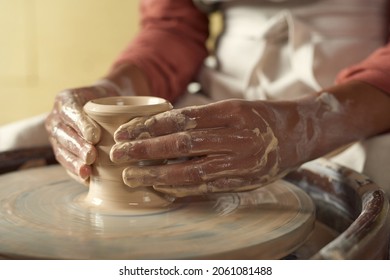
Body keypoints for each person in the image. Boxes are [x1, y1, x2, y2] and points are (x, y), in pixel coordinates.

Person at [45, 0, 390, 198]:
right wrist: (111, 91)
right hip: (220, 86)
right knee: (16, 140)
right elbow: (172, 27)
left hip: (360, 98)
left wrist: (306, 125)